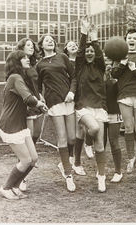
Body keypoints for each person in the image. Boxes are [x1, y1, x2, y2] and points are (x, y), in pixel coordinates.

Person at [0, 50, 48, 200]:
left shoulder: (21, 78)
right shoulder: (15, 77)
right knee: (25, 160)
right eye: (23, 58)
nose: (27, 59)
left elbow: (29, 97)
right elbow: (27, 98)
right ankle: (6, 188)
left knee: (33, 159)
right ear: (16, 62)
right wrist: (39, 103)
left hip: (20, 124)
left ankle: (15, 186)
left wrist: (39, 104)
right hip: (10, 125)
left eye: (27, 57)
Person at [37, 34, 77, 192]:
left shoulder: (62, 57)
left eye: (52, 40)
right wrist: (40, 98)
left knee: (72, 137)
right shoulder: (39, 64)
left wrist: (72, 92)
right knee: (62, 139)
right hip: (54, 103)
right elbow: (37, 86)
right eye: (46, 40)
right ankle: (68, 175)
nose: (50, 41)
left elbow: (74, 77)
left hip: (68, 100)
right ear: (41, 45)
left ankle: (64, 162)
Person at [111, 28, 136, 178]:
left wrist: (134, 70)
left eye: (135, 38)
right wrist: (121, 64)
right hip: (124, 95)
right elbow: (113, 74)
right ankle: (130, 158)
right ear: (125, 39)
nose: (132, 40)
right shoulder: (119, 55)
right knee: (128, 128)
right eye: (129, 38)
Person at [74, 16, 108, 192]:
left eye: (91, 51)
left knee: (100, 145)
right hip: (83, 107)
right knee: (93, 129)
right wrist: (84, 32)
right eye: (86, 51)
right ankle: (84, 149)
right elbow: (79, 52)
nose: (88, 52)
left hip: (99, 107)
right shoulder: (79, 67)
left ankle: (101, 177)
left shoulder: (100, 66)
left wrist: (95, 39)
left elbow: (99, 53)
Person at [15, 37, 44, 191]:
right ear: (21, 48)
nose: (31, 47)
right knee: (28, 138)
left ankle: (27, 160)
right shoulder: (19, 65)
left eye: (32, 46)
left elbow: (36, 84)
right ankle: (22, 176)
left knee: (36, 135)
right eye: (28, 45)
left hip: (37, 103)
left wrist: (40, 95)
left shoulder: (33, 64)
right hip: (27, 104)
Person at [63, 41, 94, 176]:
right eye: (70, 45)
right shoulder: (64, 62)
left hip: (86, 95)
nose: (73, 46)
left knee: (90, 125)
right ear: (66, 50)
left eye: (75, 44)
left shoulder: (82, 60)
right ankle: (75, 161)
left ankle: (88, 144)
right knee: (77, 130)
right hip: (72, 97)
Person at [104, 55, 123, 182]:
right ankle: (101, 171)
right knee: (100, 143)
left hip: (114, 112)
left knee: (113, 141)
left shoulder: (117, 79)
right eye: (104, 62)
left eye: (109, 62)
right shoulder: (97, 77)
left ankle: (118, 171)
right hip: (100, 112)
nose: (107, 65)